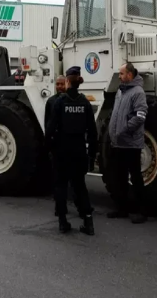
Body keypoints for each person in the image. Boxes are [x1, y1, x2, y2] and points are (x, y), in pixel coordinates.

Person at [45, 66, 97, 235]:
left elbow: (50, 128)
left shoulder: (60, 102)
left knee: (60, 185)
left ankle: (62, 222)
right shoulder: (85, 102)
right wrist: (91, 155)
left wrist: (50, 148)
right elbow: (92, 131)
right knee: (80, 186)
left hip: (62, 151)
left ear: (67, 81)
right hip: (79, 151)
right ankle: (88, 221)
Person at [107, 62, 148, 224]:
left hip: (130, 144)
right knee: (120, 177)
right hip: (118, 143)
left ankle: (142, 211)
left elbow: (140, 115)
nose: (119, 76)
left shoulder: (137, 92)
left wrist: (124, 129)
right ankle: (122, 209)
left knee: (136, 177)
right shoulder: (121, 91)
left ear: (129, 75)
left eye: (122, 73)